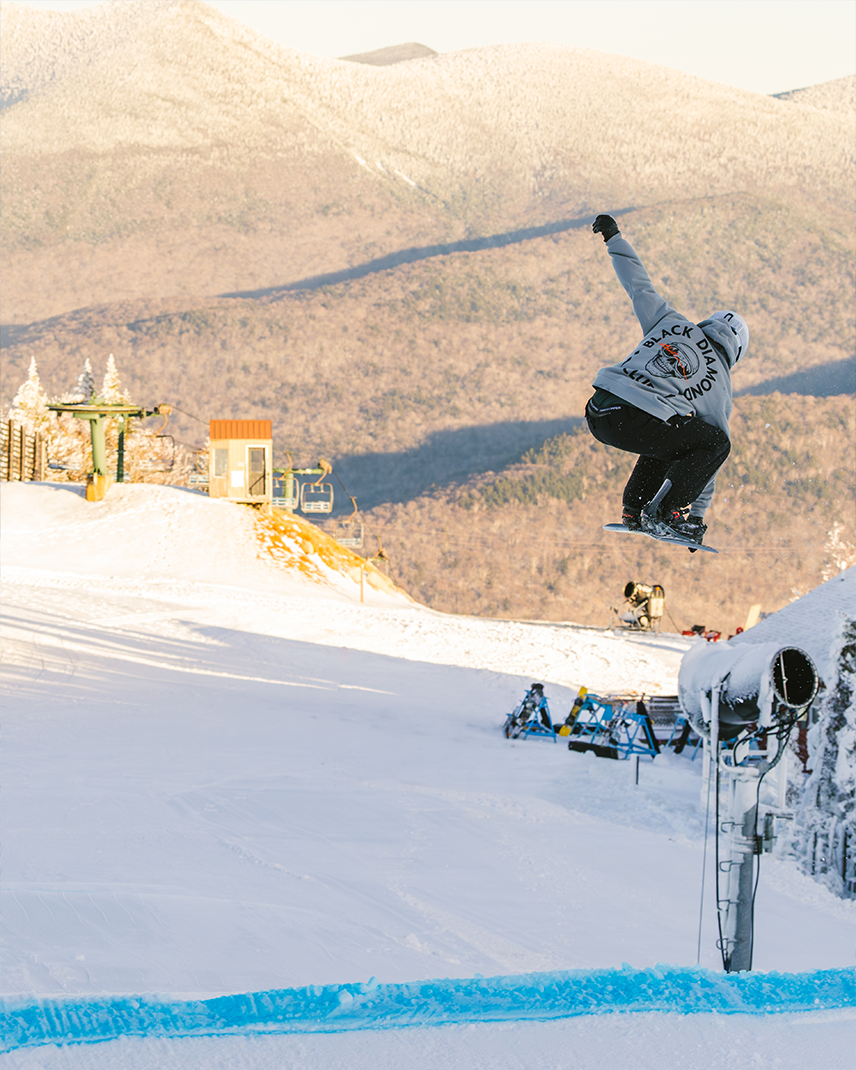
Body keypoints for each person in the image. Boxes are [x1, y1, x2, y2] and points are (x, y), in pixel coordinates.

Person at [584, 213, 749, 547]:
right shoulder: (719, 385)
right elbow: (711, 459)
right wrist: (696, 516)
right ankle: (667, 512)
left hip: (598, 410)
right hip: (631, 420)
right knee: (713, 443)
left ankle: (635, 508)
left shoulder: (670, 321)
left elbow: (638, 284)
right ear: (736, 352)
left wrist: (614, 238)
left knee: (674, 434)